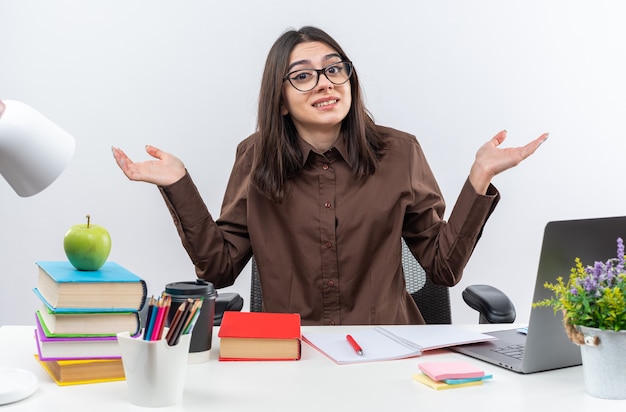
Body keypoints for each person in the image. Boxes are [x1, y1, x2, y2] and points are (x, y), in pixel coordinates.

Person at [112, 26, 547, 326]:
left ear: (349, 81)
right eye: (302, 76)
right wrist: (178, 184)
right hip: (287, 354)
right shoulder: (256, 157)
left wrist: (479, 177)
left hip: (388, 350)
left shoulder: (399, 152)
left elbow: (442, 267)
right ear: (280, 100)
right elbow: (220, 268)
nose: (324, 83)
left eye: (334, 69)